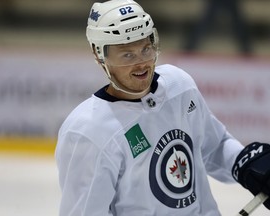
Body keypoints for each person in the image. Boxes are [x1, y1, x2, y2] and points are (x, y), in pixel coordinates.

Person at [55, 0, 270, 215]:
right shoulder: (87, 131)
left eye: (146, 49)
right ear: (98, 54)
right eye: (127, 54)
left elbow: (214, 145)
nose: (141, 63)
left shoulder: (179, 85)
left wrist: (247, 164)